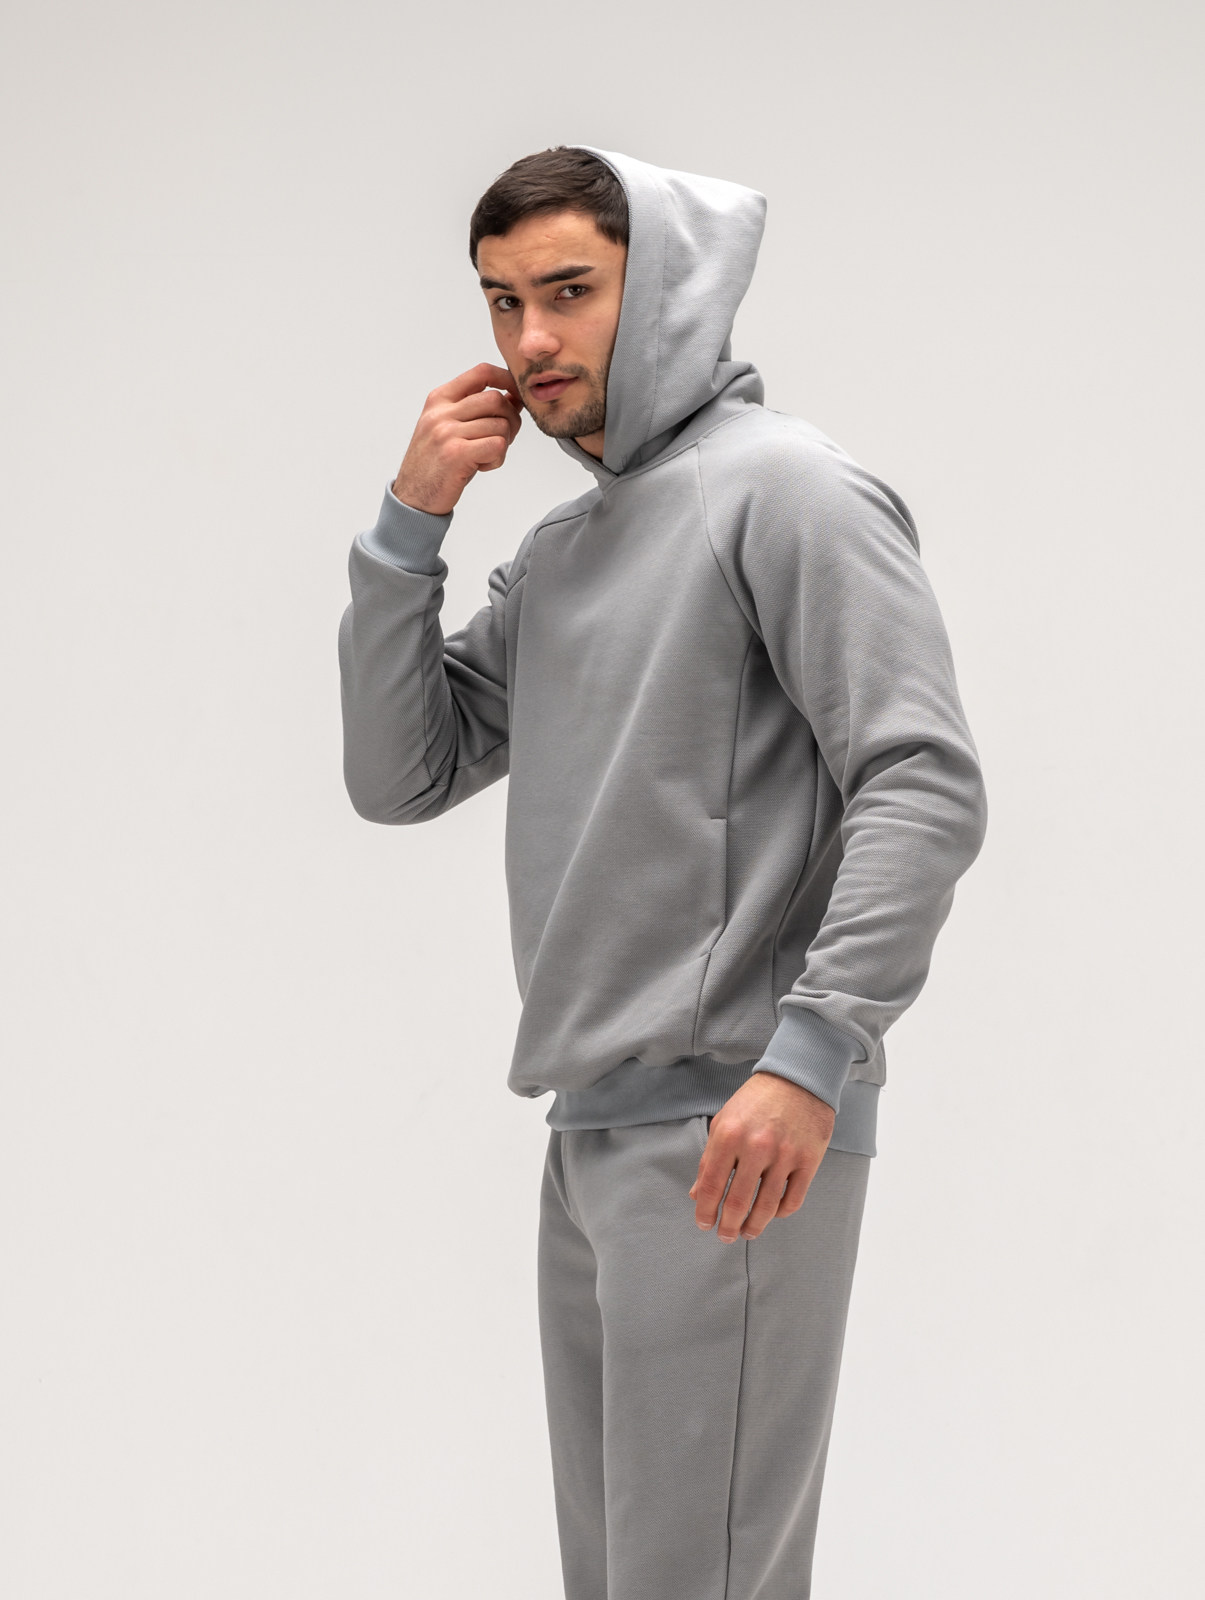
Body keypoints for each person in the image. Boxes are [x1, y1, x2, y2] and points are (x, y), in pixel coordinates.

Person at [339, 146, 987, 1600]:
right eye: (502, 301)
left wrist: (811, 1055)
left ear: (671, 289)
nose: (531, 339)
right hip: (590, 1131)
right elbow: (402, 773)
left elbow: (922, 778)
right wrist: (408, 525)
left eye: (569, 290)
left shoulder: (788, 489)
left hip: (735, 1124)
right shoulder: (564, 552)